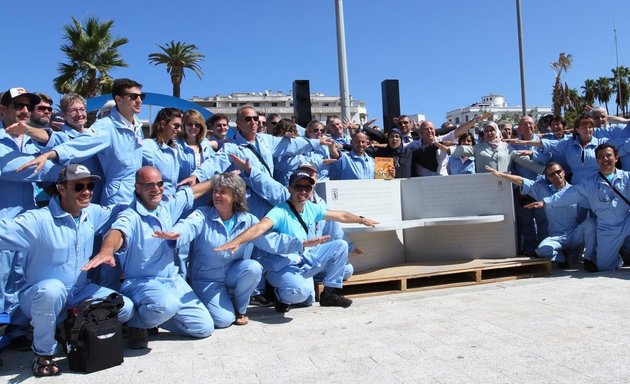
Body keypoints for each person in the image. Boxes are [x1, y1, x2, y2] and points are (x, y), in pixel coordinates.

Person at [0, 164, 133, 377]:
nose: (87, 191)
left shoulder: (93, 213)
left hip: (78, 292)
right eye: (79, 186)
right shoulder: (38, 220)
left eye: (90, 185)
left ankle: (68, 328)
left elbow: (124, 211)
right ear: (61, 188)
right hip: (38, 294)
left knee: (125, 307)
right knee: (53, 290)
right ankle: (43, 353)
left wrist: (113, 240)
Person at [83, 166, 215, 349]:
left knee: (203, 328)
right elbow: (117, 232)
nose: (156, 189)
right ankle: (137, 324)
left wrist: (220, 179)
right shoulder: (130, 215)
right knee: (167, 304)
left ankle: (152, 318)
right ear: (137, 187)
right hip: (142, 283)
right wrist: (107, 250)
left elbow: (192, 192)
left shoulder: (167, 205)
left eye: (159, 184)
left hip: (172, 281)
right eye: (149, 185)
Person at [216, 170, 378, 312]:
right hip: (283, 266)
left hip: (304, 259)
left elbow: (341, 215)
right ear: (289, 188)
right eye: (298, 187)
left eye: (307, 187)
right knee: (301, 294)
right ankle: (280, 296)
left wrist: (362, 220)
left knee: (340, 245)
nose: (303, 191)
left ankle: (330, 294)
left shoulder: (311, 208)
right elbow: (259, 228)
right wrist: (237, 241)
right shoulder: (279, 211)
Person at [155, 173, 300, 327]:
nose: (217, 195)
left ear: (235, 196)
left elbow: (270, 241)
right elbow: (187, 226)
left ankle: (240, 308)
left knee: (253, 268)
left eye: (223, 191)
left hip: (233, 273)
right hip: (207, 279)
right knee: (223, 320)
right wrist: (175, 235)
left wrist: (300, 243)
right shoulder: (202, 215)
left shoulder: (248, 220)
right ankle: (219, 302)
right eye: (215, 190)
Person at [18, 78, 145, 205]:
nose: (79, 114)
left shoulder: (136, 128)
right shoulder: (102, 129)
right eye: (73, 110)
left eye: (82, 109)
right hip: (98, 198)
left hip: (125, 194)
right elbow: (53, 139)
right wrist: (30, 133)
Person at [528, 143, 630, 272]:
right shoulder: (589, 183)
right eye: (601, 156)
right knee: (604, 267)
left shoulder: (627, 177)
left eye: (608, 155)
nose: (605, 159)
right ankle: (616, 259)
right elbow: (568, 194)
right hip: (608, 228)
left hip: (627, 220)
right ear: (597, 160)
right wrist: (547, 202)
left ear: (616, 158)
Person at [486, 163, 594, 268]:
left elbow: (583, 215)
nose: (556, 175)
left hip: (574, 234)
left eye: (558, 172)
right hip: (556, 237)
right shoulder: (542, 190)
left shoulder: (575, 191)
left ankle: (589, 260)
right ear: (548, 178)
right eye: (552, 174)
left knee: (591, 224)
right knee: (542, 250)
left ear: (564, 172)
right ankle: (563, 258)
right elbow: (521, 181)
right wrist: (501, 175)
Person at [142, 107, 183, 195]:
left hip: (171, 203)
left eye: (180, 126)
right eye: (176, 126)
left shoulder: (175, 149)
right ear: (163, 124)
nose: (179, 130)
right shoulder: (148, 146)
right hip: (154, 202)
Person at [177, 109, 215, 183]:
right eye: (189, 124)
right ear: (183, 125)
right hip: (183, 190)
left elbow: (214, 165)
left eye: (197, 125)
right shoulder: (176, 146)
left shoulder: (206, 145)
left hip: (205, 191)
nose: (193, 127)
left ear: (201, 127)